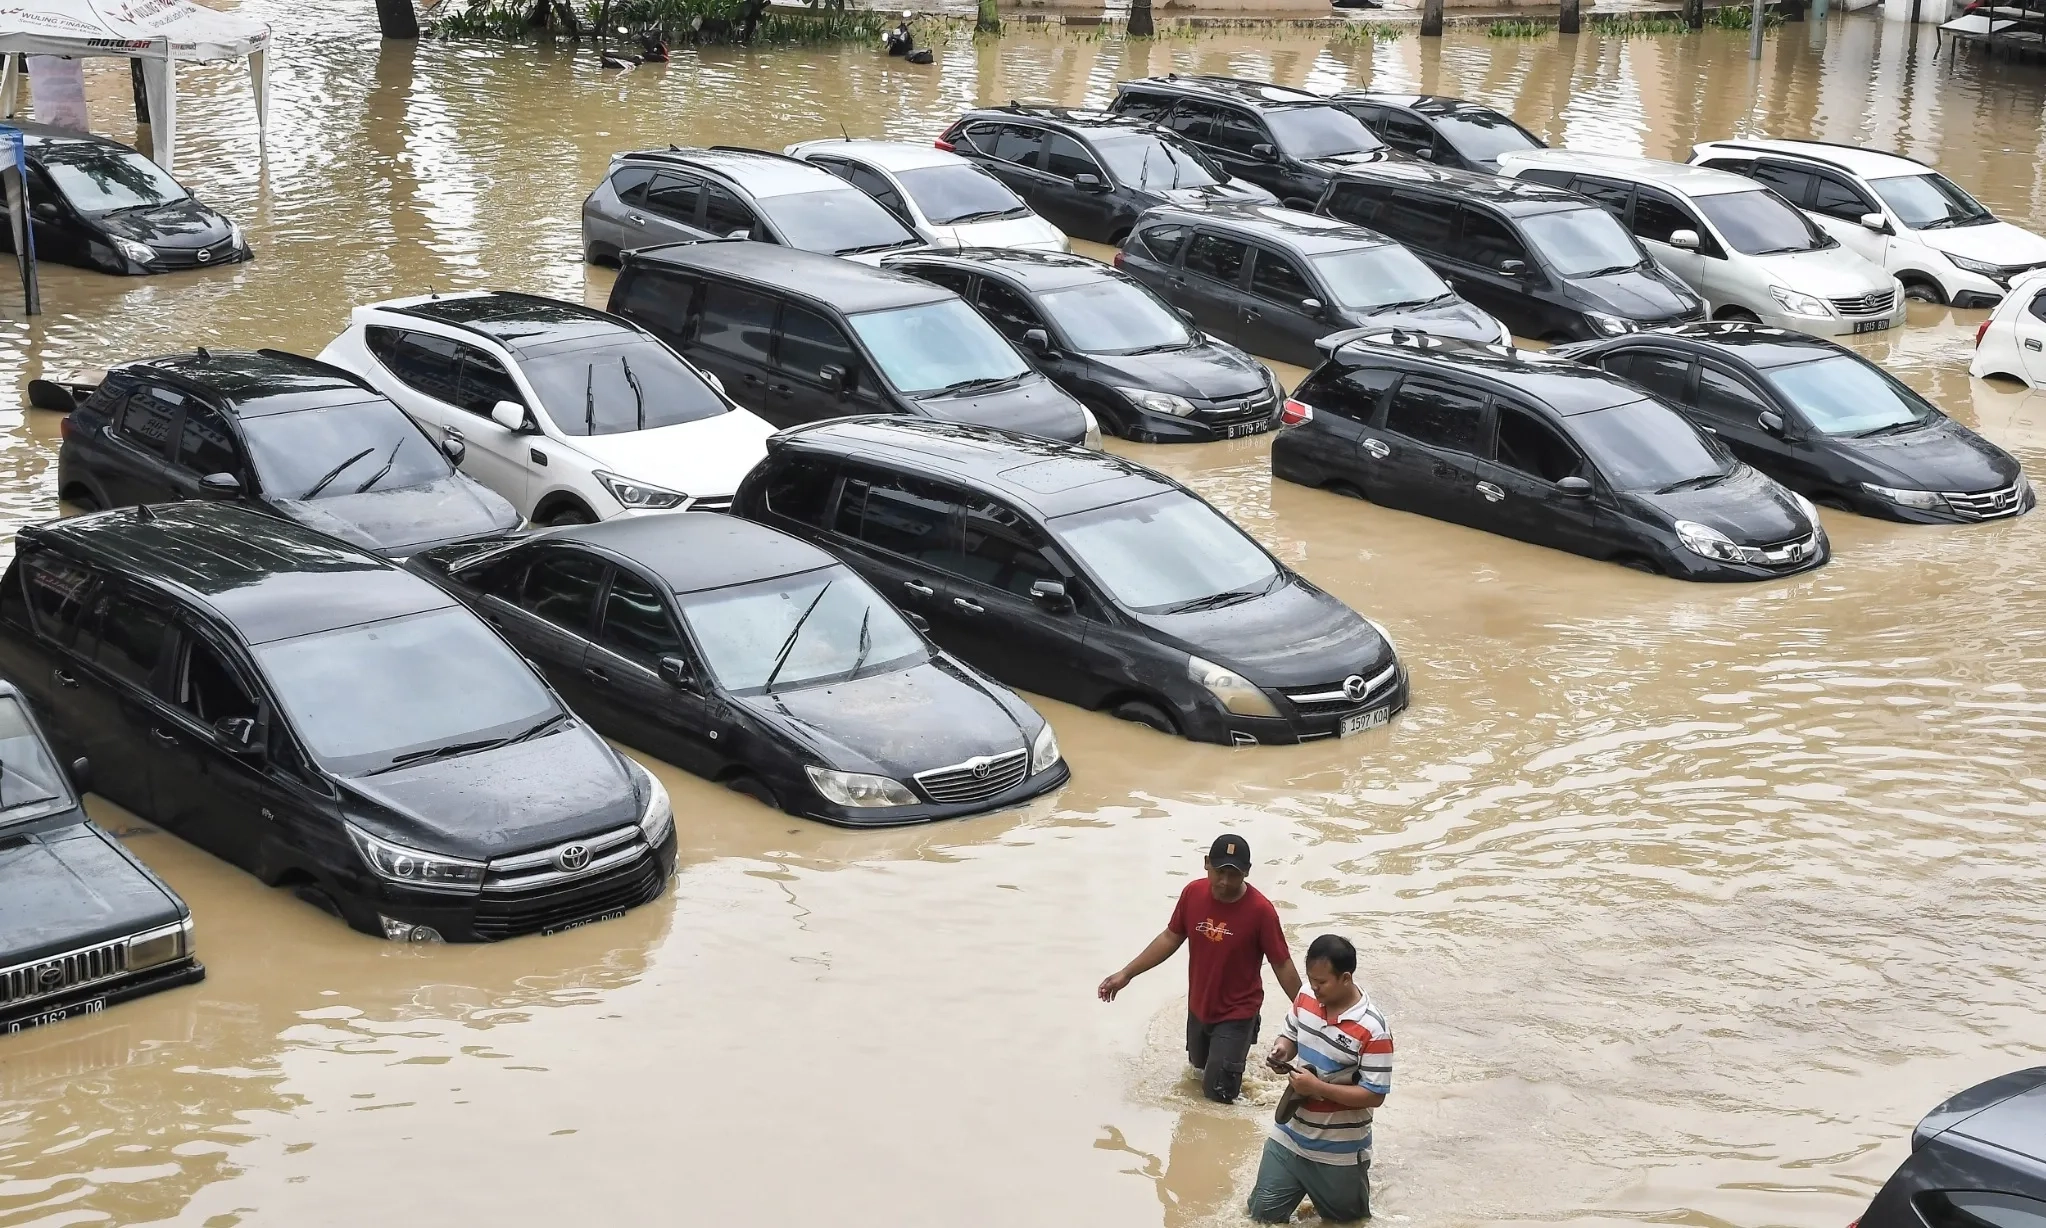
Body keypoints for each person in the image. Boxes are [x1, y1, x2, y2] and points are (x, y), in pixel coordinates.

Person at [1099, 834, 1302, 1103]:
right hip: (1199, 1009)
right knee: (1197, 1074)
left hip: (1238, 1013)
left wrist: (1308, 1011)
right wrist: (1126, 973)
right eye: (1219, 872)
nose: (1225, 882)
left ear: (1247, 872)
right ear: (1206, 863)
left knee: (1218, 1096)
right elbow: (1170, 937)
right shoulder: (1192, 894)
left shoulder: (1261, 911)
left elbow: (1281, 963)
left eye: (1235, 875)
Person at [1247, 934, 1392, 1224]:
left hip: (1339, 1151)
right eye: (1311, 979)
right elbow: (1290, 1034)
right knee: (1262, 1216)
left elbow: (1375, 1094)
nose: (1314, 987)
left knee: (1346, 1222)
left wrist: (1318, 1088)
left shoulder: (1374, 1030)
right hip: (1289, 1136)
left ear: (1346, 978)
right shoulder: (1306, 996)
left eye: (1322, 982)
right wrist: (1282, 1050)